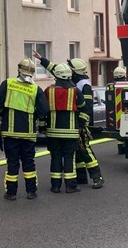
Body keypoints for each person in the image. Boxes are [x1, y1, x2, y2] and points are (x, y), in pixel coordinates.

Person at [0, 58, 49, 201]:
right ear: (33, 73)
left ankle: (11, 193)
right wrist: (36, 116)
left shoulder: (8, 84)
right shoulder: (36, 89)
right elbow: (44, 110)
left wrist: (4, 114)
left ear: (18, 69)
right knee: (29, 163)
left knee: (12, 163)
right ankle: (31, 192)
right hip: (28, 134)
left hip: (10, 133)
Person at [41, 63, 86, 194]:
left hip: (53, 133)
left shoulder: (49, 91)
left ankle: (55, 186)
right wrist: (81, 125)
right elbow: (83, 107)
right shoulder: (76, 91)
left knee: (55, 157)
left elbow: (43, 111)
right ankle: (70, 186)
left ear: (56, 76)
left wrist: (42, 127)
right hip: (71, 133)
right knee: (69, 158)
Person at [67, 58, 105, 189]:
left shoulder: (84, 85)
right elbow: (56, 70)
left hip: (80, 124)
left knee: (85, 150)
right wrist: (42, 60)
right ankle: (81, 177)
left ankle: (97, 177)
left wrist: (81, 124)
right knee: (77, 150)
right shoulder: (75, 81)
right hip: (75, 122)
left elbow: (87, 107)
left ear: (75, 71)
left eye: (70, 69)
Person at [110, 66, 127, 155]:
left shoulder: (112, 86)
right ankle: (126, 147)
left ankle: (121, 148)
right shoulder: (127, 85)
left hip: (115, 111)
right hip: (126, 110)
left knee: (118, 128)